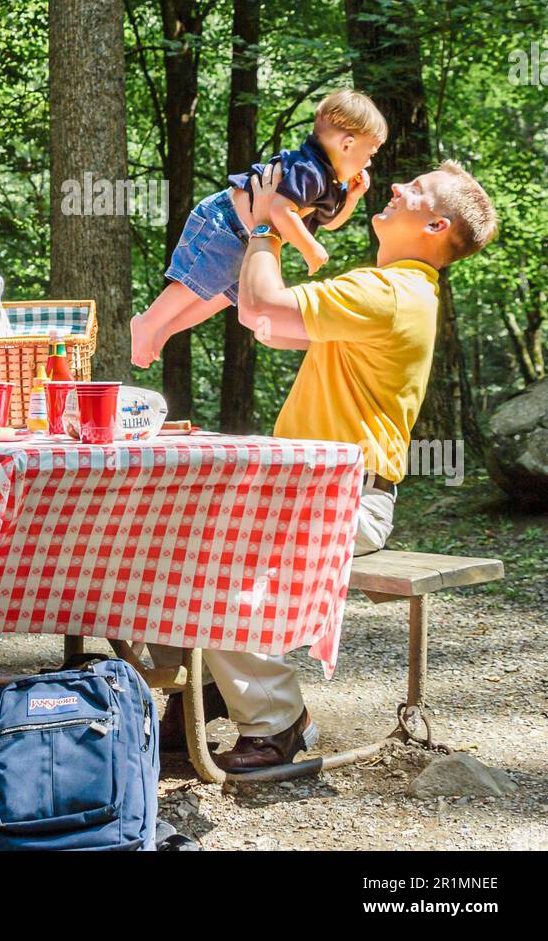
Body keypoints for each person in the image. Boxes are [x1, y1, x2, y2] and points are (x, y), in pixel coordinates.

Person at [151, 157, 498, 772]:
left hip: (347, 503)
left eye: (413, 190)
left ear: (436, 225)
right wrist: (282, 226)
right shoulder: (391, 291)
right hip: (317, 495)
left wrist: (265, 226)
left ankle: (278, 723)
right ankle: (211, 695)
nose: (394, 186)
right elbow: (271, 327)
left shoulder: (389, 292)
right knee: (173, 528)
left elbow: (264, 309)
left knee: (210, 552)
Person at [130, 90, 387, 367]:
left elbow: (331, 222)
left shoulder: (333, 185)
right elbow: (279, 209)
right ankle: (147, 322)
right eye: (370, 153)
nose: (370, 162)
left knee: (219, 298)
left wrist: (352, 198)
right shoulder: (308, 169)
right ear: (347, 144)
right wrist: (309, 249)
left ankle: (166, 329)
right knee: (196, 285)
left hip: (248, 242)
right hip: (226, 224)